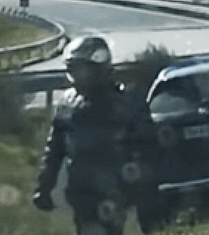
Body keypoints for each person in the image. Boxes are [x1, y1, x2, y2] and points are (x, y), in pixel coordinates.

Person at [32, 35, 167, 235]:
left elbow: (149, 147)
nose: (77, 77)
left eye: (82, 71)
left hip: (115, 190)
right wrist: (44, 187)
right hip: (81, 191)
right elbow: (54, 150)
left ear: (99, 68)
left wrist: (144, 188)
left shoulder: (126, 104)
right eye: (73, 71)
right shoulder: (68, 103)